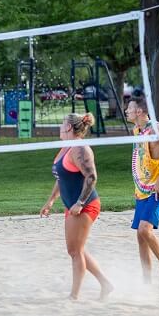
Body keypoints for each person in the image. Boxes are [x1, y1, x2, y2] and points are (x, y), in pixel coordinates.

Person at [41, 113, 114, 301]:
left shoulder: (80, 148)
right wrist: (50, 201)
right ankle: (106, 284)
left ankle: (74, 296)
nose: (59, 126)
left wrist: (80, 203)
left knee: (75, 252)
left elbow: (91, 177)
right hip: (72, 205)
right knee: (75, 249)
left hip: (85, 204)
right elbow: (61, 178)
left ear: (69, 128)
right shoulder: (65, 148)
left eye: (62, 123)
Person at [126, 95, 159, 286]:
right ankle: (146, 280)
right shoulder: (137, 130)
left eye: (130, 108)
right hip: (142, 188)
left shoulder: (156, 130)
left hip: (158, 188)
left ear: (139, 111)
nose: (127, 111)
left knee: (145, 230)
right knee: (140, 235)